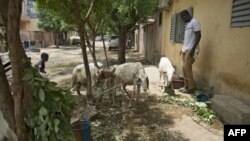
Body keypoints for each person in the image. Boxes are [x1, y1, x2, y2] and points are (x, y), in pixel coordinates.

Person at [179, 10, 201, 94]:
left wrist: (193, 49)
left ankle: (191, 87)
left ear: (186, 16)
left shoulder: (194, 22)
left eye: (182, 18)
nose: (182, 20)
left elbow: (198, 35)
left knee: (186, 67)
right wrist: (182, 48)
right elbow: (187, 38)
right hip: (185, 49)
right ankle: (186, 86)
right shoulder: (187, 24)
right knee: (184, 68)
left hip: (191, 49)